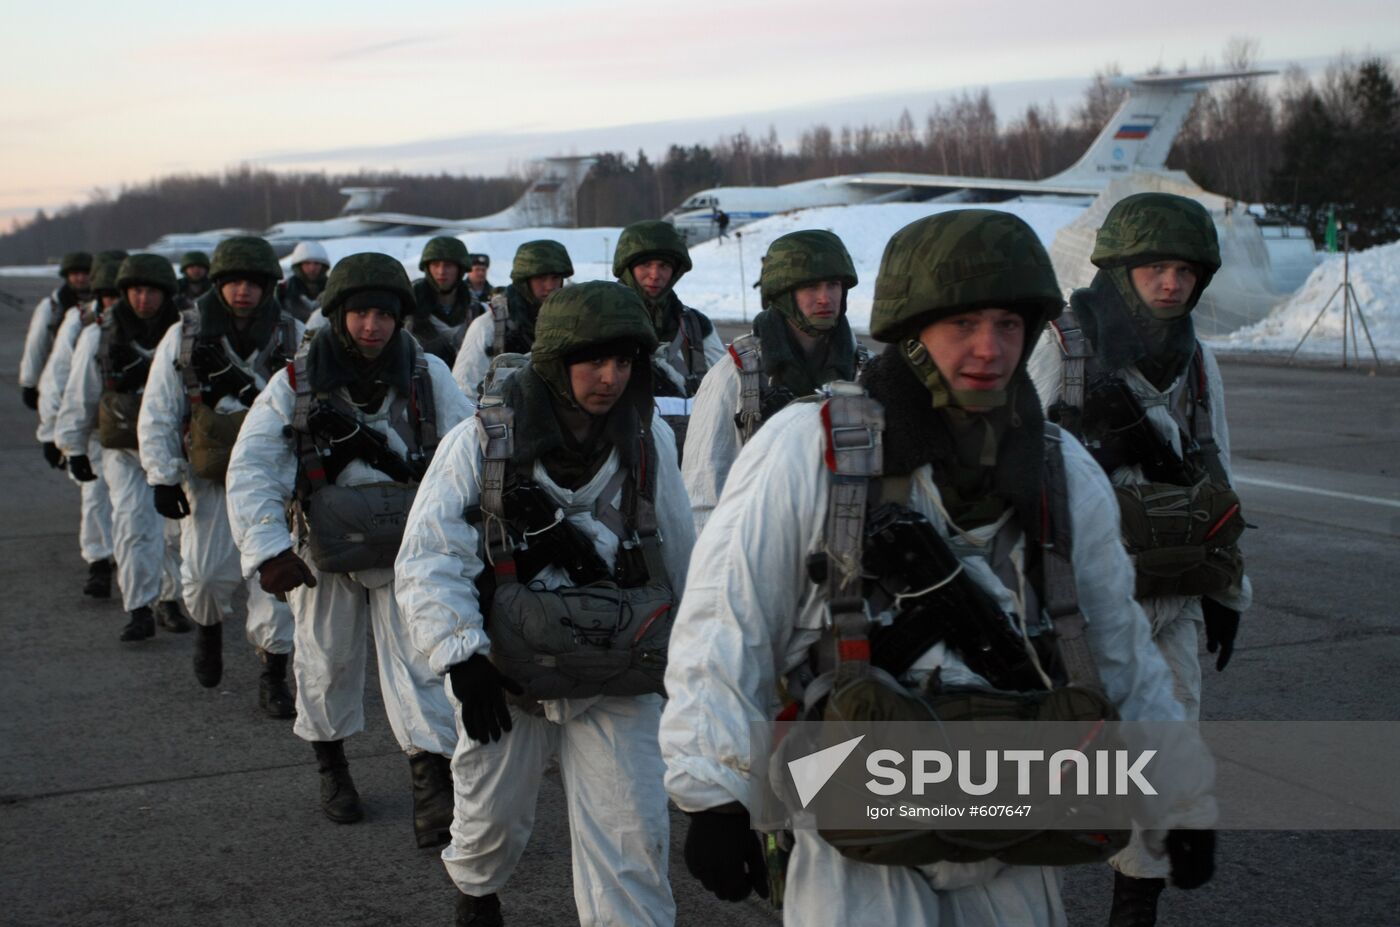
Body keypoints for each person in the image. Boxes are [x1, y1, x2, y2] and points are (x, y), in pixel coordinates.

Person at [659, 209, 1216, 925]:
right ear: (912, 332)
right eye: (964, 325)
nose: (990, 348)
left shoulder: (1059, 467)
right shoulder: (809, 448)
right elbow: (725, 623)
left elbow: (1116, 646)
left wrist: (1179, 791)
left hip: (1015, 821)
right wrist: (714, 792)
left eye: (1009, 324)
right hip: (854, 843)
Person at [396, 280, 695, 926]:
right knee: (488, 821)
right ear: (557, 361)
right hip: (507, 673)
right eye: (594, 360)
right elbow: (429, 556)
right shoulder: (481, 441)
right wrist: (460, 657)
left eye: (623, 362)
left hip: (616, 671)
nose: (610, 377)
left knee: (634, 835)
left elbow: (684, 555)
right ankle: (476, 894)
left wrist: (694, 671)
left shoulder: (648, 445)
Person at [1027, 192, 1250, 926]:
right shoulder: (1065, 344)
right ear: (1121, 270)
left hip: (1173, 595)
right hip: (1078, 604)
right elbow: (1019, 465)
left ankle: (1134, 911)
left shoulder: (1198, 360)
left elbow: (1216, 477)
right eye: (1154, 266)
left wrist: (1229, 592)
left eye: (1185, 270)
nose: (1170, 283)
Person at [225, 252, 472, 846]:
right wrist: (269, 550)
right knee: (326, 661)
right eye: (360, 313)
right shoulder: (296, 383)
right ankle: (331, 765)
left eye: (384, 314)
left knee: (420, 663)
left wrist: (466, 546)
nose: (372, 327)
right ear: (338, 315)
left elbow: (469, 454)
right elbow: (253, 465)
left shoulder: (429, 374)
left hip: (405, 548)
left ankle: (432, 784)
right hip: (322, 554)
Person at [138, 236, 302, 716]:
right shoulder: (185, 335)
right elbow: (160, 408)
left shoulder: (292, 334)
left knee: (278, 585)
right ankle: (207, 633)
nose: (243, 291)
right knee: (206, 578)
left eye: (253, 282)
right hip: (208, 476)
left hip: (276, 479)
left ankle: (273, 673)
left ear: (269, 286)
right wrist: (163, 476)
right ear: (219, 285)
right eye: (233, 282)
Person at [682, 229, 862, 531]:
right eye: (810, 287)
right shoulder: (736, 374)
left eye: (833, 285)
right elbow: (703, 494)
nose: (825, 298)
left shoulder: (864, 373)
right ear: (783, 294)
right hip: (757, 545)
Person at [55, 253, 194, 640]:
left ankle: (169, 599)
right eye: (135, 290)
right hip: (121, 445)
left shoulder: (188, 333)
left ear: (166, 293)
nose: (143, 298)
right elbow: (80, 392)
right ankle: (139, 608)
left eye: (151, 291)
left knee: (177, 532)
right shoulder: (99, 334)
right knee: (133, 524)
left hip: (173, 447)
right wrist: (74, 447)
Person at [36, 250, 125, 598]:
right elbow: (61, 379)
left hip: (137, 431)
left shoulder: (159, 327)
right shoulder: (82, 324)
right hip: (97, 429)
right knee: (97, 495)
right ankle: (100, 562)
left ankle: (147, 582)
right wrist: (56, 435)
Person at [612, 220, 725, 458]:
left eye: (663, 265)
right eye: (645, 264)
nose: (655, 275)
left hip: (688, 456)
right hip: (618, 458)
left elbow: (724, 390)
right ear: (628, 267)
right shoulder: (598, 318)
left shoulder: (696, 326)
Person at [452, 240, 572, 396]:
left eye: (555, 277)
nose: (549, 286)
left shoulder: (570, 322)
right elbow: (465, 391)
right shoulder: (489, 326)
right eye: (541, 278)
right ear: (524, 281)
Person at [19, 251, 92, 409]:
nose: (80, 278)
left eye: (85, 273)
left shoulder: (102, 304)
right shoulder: (52, 307)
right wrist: (30, 383)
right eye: (75, 273)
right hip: (59, 380)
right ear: (67, 275)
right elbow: (36, 345)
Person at [406, 236, 479, 368]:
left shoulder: (475, 309)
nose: (441, 271)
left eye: (448, 265)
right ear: (428, 268)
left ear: (460, 269)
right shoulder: (408, 307)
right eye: (435, 265)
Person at [276, 241, 331, 322]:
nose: (312, 268)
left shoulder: (332, 288)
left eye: (316, 263)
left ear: (323, 266)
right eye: (307, 263)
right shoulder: (284, 290)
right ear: (299, 266)